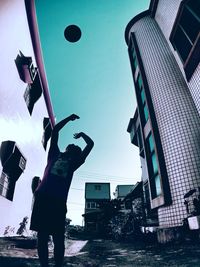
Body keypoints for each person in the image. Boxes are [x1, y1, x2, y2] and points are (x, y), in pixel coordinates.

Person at [30, 114, 94, 267]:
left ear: (75, 155)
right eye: (72, 146)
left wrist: (82, 135)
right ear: (66, 149)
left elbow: (90, 145)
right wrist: (68, 118)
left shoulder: (74, 164)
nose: (73, 148)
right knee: (42, 236)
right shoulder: (54, 154)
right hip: (43, 197)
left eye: (76, 150)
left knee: (58, 238)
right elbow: (55, 131)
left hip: (58, 201)